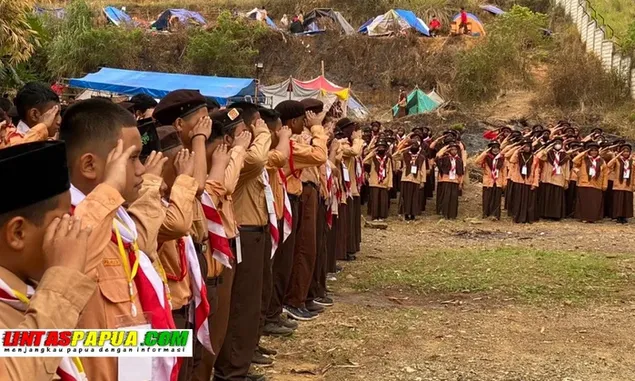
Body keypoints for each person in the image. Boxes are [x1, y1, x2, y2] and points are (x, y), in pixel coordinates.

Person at [60, 98, 174, 381]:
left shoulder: (118, 223)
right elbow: (74, 260)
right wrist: (110, 187)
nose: (141, 170)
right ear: (89, 165)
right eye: (132, 158)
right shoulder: (67, 227)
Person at [0, 141, 95, 381]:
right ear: (18, 233)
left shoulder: (28, 289)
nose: (74, 229)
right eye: (62, 220)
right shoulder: (52, 292)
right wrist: (62, 282)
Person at [212, 102, 272, 381]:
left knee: (247, 303)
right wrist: (262, 135)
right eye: (243, 132)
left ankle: (239, 365)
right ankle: (231, 370)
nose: (251, 135)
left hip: (252, 229)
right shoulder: (240, 158)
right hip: (241, 232)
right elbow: (259, 160)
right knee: (238, 307)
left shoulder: (240, 155)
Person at [280, 99, 328, 321]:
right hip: (298, 193)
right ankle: (293, 299)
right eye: (312, 116)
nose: (318, 120)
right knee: (302, 249)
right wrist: (317, 129)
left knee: (308, 249)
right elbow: (320, 156)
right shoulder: (294, 139)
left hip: (306, 191)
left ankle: (301, 296)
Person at [2, 83, 61, 147]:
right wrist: (43, 126)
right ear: (34, 114)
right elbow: (20, 152)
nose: (59, 121)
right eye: (54, 114)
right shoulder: (10, 137)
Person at [338, 118, 363, 259]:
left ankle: (350, 248)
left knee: (351, 221)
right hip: (344, 189)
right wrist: (357, 140)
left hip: (352, 187)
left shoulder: (349, 143)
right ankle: (344, 251)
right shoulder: (341, 144)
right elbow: (354, 151)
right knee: (345, 222)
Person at [572, 142, 608, 223]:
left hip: (596, 184)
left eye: (595, 150)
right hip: (584, 183)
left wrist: (604, 184)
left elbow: (605, 173)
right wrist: (584, 152)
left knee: (594, 203)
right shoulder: (584, 159)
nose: (593, 152)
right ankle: (583, 217)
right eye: (591, 150)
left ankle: (592, 218)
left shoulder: (602, 161)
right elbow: (574, 160)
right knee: (584, 201)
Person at [394, 135, 427, 221]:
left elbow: (423, 169)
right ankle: (406, 213)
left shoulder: (421, 157)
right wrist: (404, 148)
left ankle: (413, 214)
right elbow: (394, 156)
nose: (414, 147)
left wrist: (422, 181)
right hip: (406, 178)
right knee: (406, 197)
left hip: (416, 179)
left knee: (414, 197)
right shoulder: (405, 155)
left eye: (416, 145)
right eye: (412, 145)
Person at [535, 137, 570, 220]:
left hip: (559, 178)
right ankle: (544, 214)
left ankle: (556, 215)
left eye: (559, 144)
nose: (557, 145)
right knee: (547, 196)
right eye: (556, 144)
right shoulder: (548, 154)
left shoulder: (565, 156)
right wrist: (547, 148)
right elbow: (539, 157)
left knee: (556, 198)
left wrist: (566, 180)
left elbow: (567, 168)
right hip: (547, 178)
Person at [506, 139, 538, 223]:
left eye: (528, 147)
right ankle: (517, 217)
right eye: (525, 147)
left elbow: (536, 170)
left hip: (529, 181)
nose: (527, 148)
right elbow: (512, 160)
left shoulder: (534, 157)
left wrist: (535, 183)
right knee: (518, 200)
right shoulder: (518, 155)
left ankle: (527, 218)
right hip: (518, 180)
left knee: (527, 201)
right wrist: (517, 151)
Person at [364, 140, 393, 221]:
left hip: (384, 182)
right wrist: (371, 153)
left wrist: (390, 184)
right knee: (375, 200)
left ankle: (382, 216)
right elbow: (364, 161)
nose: (381, 148)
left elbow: (390, 171)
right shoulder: (373, 158)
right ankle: (375, 216)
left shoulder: (388, 158)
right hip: (374, 181)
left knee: (383, 200)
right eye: (379, 147)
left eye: (383, 147)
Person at [475, 141, 505, 220]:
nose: (495, 150)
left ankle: (495, 215)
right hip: (488, 181)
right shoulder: (486, 157)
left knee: (496, 199)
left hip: (498, 181)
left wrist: (504, 182)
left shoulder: (501, 158)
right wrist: (485, 152)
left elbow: (504, 171)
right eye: (493, 148)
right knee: (487, 198)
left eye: (497, 148)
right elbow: (477, 161)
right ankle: (486, 214)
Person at [435, 141, 464, 219]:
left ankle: (452, 215)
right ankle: (445, 214)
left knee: (454, 198)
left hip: (455, 180)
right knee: (446, 197)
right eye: (452, 149)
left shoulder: (459, 160)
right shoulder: (445, 158)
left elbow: (461, 173)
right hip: (446, 180)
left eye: (455, 149)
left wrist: (460, 183)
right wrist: (445, 149)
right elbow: (437, 157)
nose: (454, 151)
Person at [607, 143, 633, 223]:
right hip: (618, 184)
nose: (626, 153)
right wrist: (617, 156)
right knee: (618, 201)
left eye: (627, 152)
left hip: (628, 185)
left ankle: (625, 216)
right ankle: (618, 216)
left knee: (626, 201)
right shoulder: (617, 161)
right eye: (624, 151)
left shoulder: (632, 161)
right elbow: (609, 165)